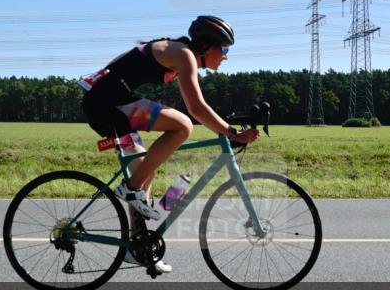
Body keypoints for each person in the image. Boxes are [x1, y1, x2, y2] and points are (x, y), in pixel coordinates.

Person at [78, 16, 260, 271]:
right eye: (225, 49)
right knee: (183, 125)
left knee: (145, 170)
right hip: (107, 104)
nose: (227, 56)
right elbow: (196, 107)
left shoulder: (179, 52)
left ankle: (138, 247)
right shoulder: (184, 54)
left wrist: (226, 124)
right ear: (208, 46)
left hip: (108, 102)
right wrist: (229, 132)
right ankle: (130, 188)